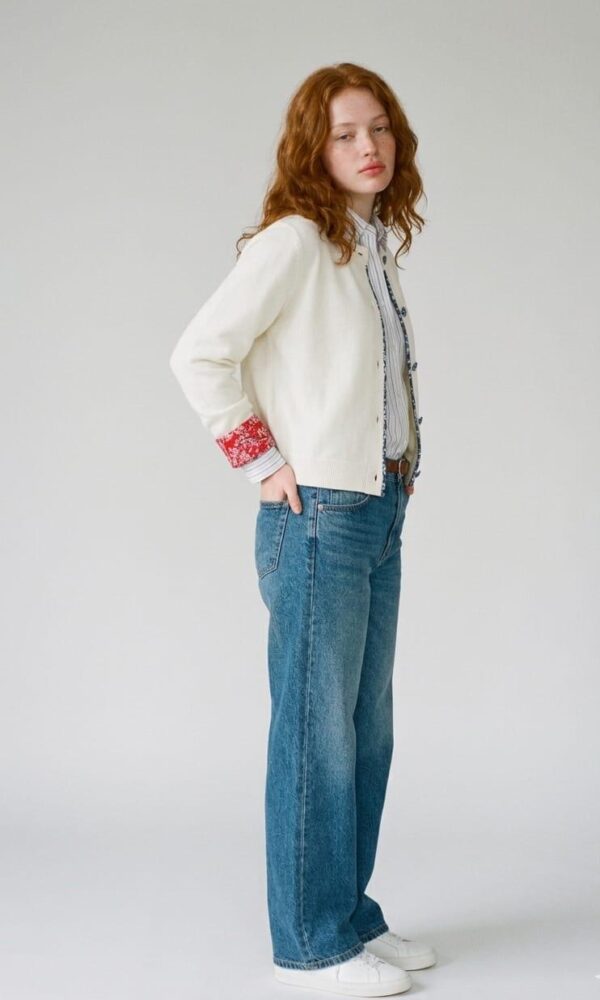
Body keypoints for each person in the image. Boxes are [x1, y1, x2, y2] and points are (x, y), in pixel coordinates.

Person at [169, 62, 436, 998]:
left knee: (365, 732)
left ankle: (348, 914)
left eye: (380, 128)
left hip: (378, 508)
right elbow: (199, 355)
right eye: (345, 133)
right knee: (316, 736)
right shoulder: (293, 241)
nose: (369, 146)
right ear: (313, 150)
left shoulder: (369, 247)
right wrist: (262, 462)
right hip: (319, 515)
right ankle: (310, 948)